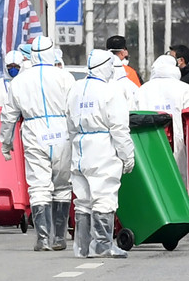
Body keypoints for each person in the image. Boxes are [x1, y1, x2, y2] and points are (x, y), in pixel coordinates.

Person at [0, 35, 76, 252]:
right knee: (62, 185)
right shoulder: (65, 77)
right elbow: (74, 108)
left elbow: (8, 115)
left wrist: (6, 143)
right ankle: (59, 237)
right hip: (62, 131)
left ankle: (43, 237)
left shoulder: (19, 81)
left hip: (34, 132)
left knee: (39, 185)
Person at [66, 49, 135, 258]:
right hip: (102, 147)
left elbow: (68, 121)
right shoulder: (110, 91)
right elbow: (119, 128)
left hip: (79, 146)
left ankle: (82, 247)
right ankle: (103, 245)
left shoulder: (76, 89)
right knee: (104, 196)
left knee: (83, 199)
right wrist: (128, 156)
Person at [135, 54, 189, 180]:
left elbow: (132, 119)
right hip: (179, 148)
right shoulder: (185, 89)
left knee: (154, 180)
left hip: (147, 144)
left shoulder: (142, 91)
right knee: (179, 181)